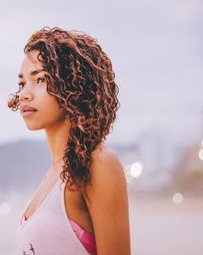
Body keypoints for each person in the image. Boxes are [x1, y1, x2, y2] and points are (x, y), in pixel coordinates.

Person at [8, 27, 130, 255]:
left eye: (40, 79)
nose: (24, 93)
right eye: (22, 83)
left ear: (73, 85)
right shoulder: (53, 173)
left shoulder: (98, 163)